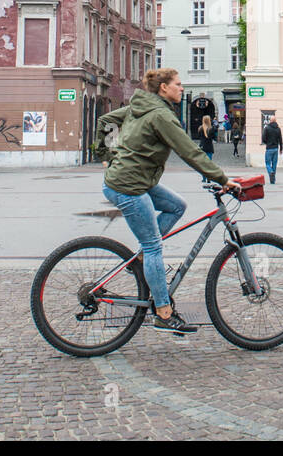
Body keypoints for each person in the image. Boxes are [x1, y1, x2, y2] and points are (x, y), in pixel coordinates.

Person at [96, 69, 241, 335]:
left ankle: (141, 260)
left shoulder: (140, 107)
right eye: (178, 84)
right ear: (163, 88)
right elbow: (188, 150)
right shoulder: (161, 115)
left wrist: (108, 155)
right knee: (153, 246)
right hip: (129, 185)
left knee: (177, 206)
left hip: (136, 179)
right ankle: (163, 312)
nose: (182, 88)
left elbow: (106, 120)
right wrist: (222, 179)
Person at [262, 116, 283, 184]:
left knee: (268, 163)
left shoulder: (267, 128)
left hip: (269, 148)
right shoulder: (278, 129)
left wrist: (267, 143)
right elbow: (280, 139)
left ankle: (270, 172)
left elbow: (263, 138)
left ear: (270, 120)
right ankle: (273, 180)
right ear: (275, 121)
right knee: (274, 164)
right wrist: (281, 149)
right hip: (276, 148)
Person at [196, 115, 216, 181]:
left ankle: (204, 178)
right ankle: (209, 177)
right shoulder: (211, 129)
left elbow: (199, 137)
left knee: (203, 164)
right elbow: (214, 137)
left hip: (202, 147)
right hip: (209, 147)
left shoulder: (200, 128)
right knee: (209, 164)